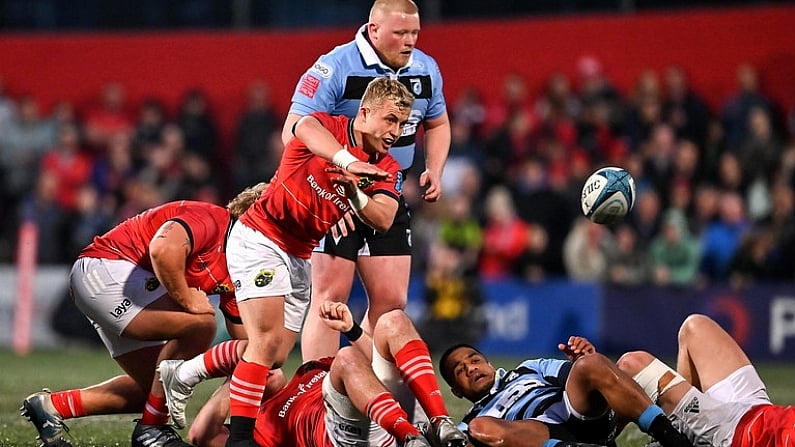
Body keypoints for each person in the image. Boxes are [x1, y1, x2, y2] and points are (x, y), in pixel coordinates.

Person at [224, 76, 414, 446]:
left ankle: (188, 371)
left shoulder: (386, 167)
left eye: (403, 124)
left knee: (275, 355)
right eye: (390, 120)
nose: (396, 131)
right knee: (264, 342)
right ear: (364, 113)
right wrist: (346, 161)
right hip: (260, 237)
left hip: (298, 255)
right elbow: (302, 125)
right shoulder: (327, 127)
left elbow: (383, 217)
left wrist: (354, 195)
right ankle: (240, 439)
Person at [20, 182, 268, 447]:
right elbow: (162, 252)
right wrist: (187, 299)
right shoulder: (211, 219)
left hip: (126, 284)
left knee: (154, 391)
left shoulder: (242, 264)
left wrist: (260, 354)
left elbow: (248, 341)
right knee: (201, 325)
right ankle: (153, 430)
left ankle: (51, 407)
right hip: (108, 270)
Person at [281, 0, 451, 362]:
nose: (409, 41)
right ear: (374, 30)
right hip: (333, 191)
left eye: (415, 33)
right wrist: (329, 191)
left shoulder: (426, 69)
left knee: (392, 303)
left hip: (387, 189)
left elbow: (437, 122)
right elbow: (294, 132)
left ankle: (366, 386)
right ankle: (317, 395)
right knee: (330, 298)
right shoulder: (334, 67)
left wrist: (434, 168)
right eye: (400, 33)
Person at [158, 301, 467, 447]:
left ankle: (440, 423)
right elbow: (201, 435)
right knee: (346, 358)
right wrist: (233, 382)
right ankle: (411, 438)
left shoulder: (308, 371)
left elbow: (378, 365)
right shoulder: (259, 429)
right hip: (346, 437)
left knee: (394, 320)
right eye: (253, 373)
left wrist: (354, 330)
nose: (263, 370)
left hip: (384, 411)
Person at [438, 341, 694, 447]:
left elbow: (575, 373)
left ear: (489, 363)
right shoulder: (469, 422)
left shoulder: (528, 368)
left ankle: (673, 438)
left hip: (580, 414)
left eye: (474, 360)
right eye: (460, 370)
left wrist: (583, 357)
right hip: (540, 435)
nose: (471, 368)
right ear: (457, 391)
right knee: (481, 429)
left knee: (590, 364)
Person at [616, 313, 795, 446]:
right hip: (760, 412)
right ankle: (680, 433)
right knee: (695, 327)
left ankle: (594, 440)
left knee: (631, 365)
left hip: (734, 438)